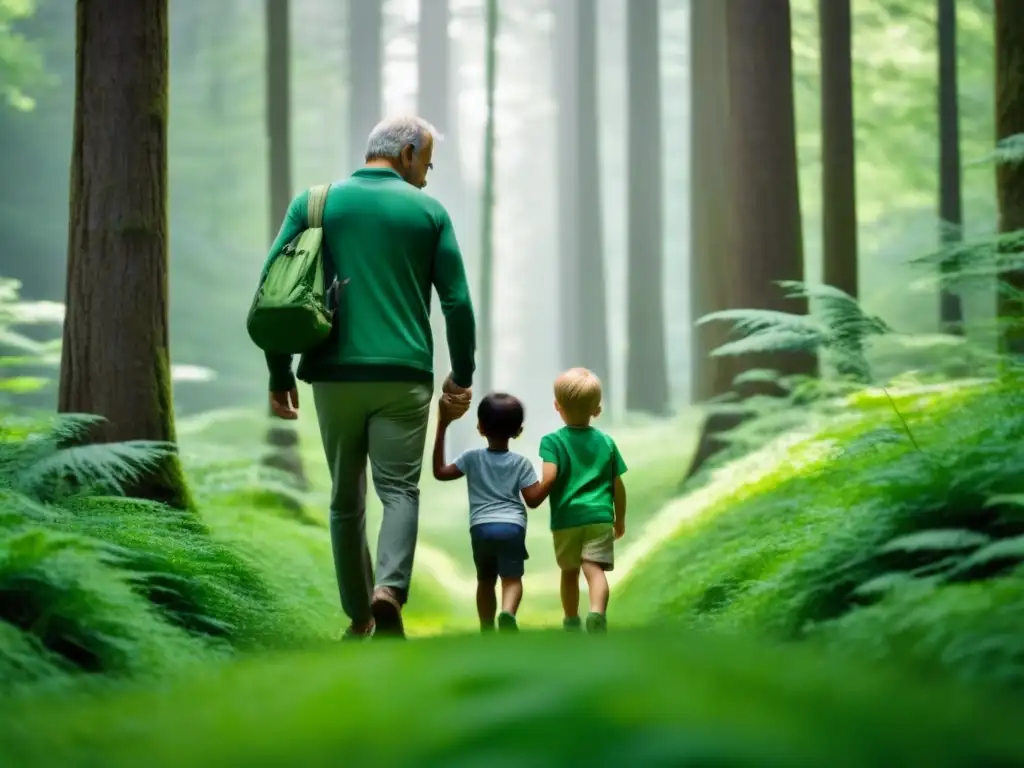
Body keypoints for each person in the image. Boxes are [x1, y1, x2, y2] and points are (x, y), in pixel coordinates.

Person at [262, 115, 476, 640]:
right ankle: (390, 590)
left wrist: (279, 370)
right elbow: (457, 301)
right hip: (403, 376)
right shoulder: (428, 211)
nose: (427, 174)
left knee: (345, 497)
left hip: (333, 375)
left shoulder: (314, 204)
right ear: (405, 153)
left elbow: (274, 290)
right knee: (400, 490)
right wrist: (462, 373)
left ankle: (358, 617)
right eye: (425, 161)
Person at [432, 393, 549, 634]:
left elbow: (440, 472)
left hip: (481, 528)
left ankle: (486, 629)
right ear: (518, 431)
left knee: (485, 581)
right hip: (512, 528)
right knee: (512, 579)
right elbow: (534, 499)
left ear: (480, 427)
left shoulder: (471, 458)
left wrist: (442, 425)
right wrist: (552, 480)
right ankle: (507, 612)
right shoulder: (521, 463)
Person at [538, 368, 628, 634]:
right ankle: (597, 613)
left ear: (558, 406)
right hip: (600, 517)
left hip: (566, 519)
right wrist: (619, 518)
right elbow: (618, 486)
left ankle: (570, 621)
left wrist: (535, 492)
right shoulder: (606, 442)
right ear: (596, 410)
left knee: (569, 572)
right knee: (594, 568)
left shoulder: (552, 442)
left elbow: (549, 477)